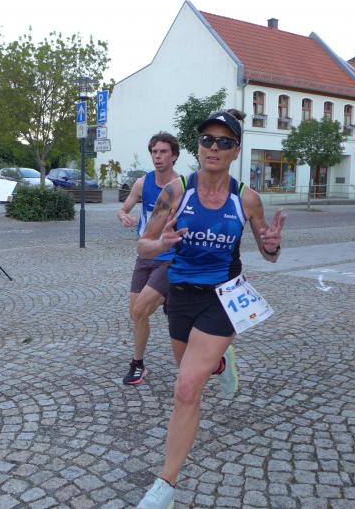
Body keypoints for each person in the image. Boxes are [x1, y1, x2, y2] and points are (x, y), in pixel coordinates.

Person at [136, 110, 285, 508]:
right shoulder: (176, 192)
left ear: (236, 150)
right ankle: (221, 362)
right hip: (180, 296)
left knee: (186, 388)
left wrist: (272, 246)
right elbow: (143, 246)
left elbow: (268, 252)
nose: (213, 148)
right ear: (198, 146)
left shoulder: (246, 199)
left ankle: (165, 485)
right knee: (192, 374)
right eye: (207, 140)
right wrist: (161, 244)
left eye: (224, 142)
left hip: (222, 297)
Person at [117, 132, 180, 385]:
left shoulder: (181, 186)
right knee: (137, 314)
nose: (158, 156)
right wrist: (123, 216)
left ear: (174, 156)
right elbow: (124, 208)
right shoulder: (143, 183)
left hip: (169, 257)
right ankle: (139, 364)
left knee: (141, 308)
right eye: (154, 152)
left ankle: (168, 297)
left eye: (163, 152)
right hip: (144, 255)